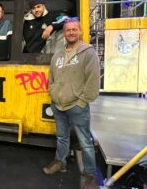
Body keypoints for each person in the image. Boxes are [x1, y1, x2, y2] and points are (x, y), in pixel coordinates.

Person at [43, 18, 100, 189]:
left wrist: (82, 102)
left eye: (74, 29)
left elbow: (93, 81)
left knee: (85, 141)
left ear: (80, 31)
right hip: (58, 104)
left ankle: (89, 175)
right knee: (61, 137)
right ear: (64, 33)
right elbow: (51, 78)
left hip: (77, 105)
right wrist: (53, 94)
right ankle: (60, 162)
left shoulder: (88, 53)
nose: (71, 32)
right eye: (68, 30)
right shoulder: (58, 55)